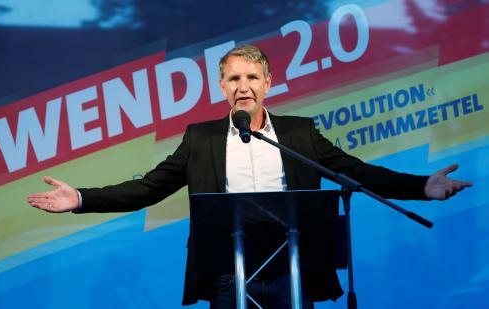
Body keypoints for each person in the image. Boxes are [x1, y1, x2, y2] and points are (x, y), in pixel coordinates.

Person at [27, 45, 472, 308]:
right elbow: (148, 188)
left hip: (293, 269)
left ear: (269, 83)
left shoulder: (299, 132)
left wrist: (421, 187)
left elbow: (353, 172)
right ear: (222, 87)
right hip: (228, 272)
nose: (243, 86)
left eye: (252, 77)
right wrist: (82, 198)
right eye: (234, 78)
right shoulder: (199, 139)